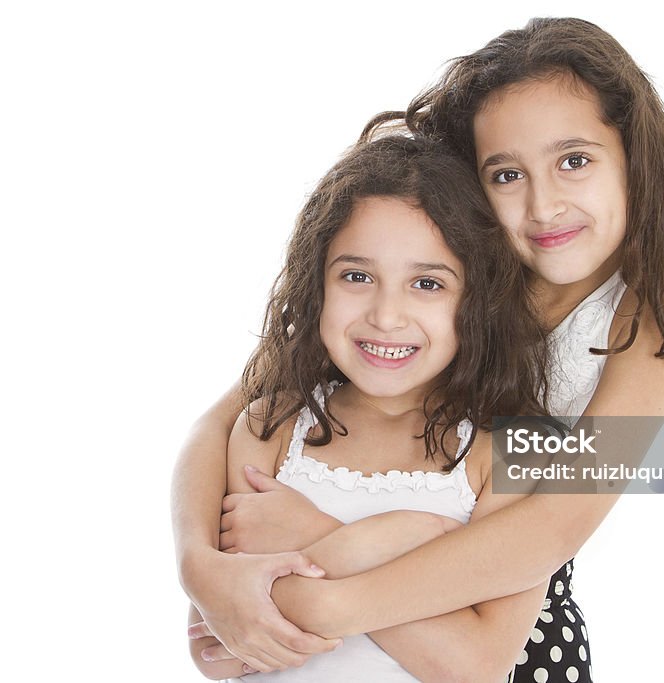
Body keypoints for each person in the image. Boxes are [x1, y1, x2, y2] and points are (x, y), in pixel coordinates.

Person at [176, 17, 664, 682]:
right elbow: (218, 422)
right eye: (507, 174)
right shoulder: (455, 271)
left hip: (506, 597)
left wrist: (324, 586)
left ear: (633, 154)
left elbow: (557, 523)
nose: (544, 206)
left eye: (575, 160)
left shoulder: (657, 297)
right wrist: (206, 574)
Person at [186, 134, 554, 681]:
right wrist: (395, 541)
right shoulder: (272, 426)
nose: (386, 315)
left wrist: (316, 535)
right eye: (357, 276)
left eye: (427, 283)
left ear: (475, 303)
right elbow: (221, 654)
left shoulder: (500, 456)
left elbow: (474, 665)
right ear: (317, 285)